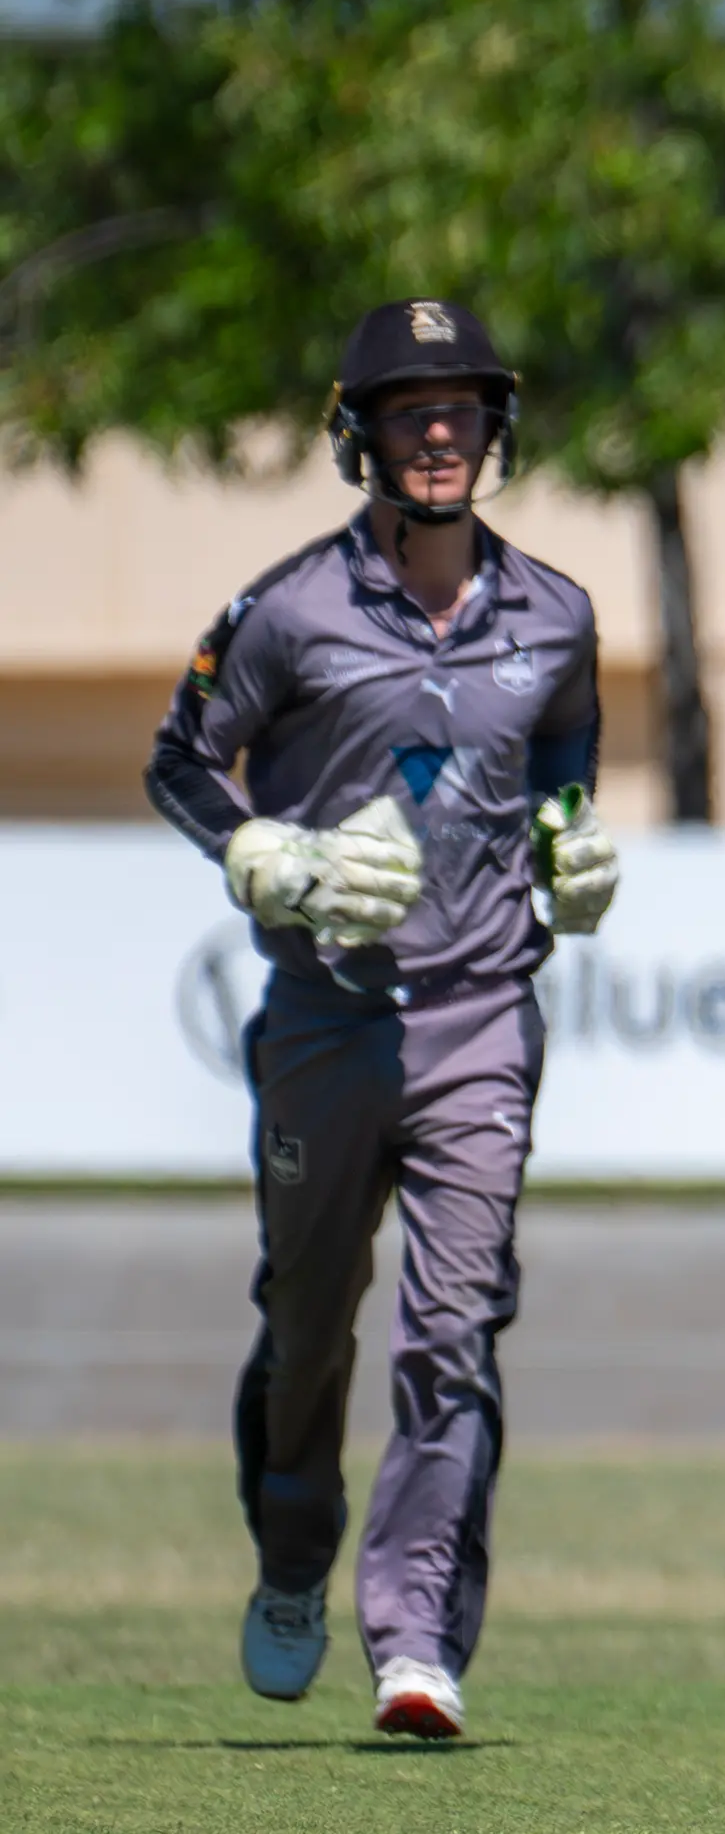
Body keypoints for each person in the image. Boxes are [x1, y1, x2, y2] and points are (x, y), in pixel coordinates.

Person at [144, 299, 619, 1740]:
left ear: (498, 425)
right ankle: (292, 1549)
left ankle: (416, 1635)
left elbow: (564, 753)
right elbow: (181, 759)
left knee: (455, 1333)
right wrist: (259, 853)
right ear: (355, 432)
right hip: (328, 1015)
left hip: (482, 1013)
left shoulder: (557, 611)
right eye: (409, 409)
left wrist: (566, 839)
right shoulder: (288, 612)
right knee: (308, 1321)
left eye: (463, 406)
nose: (438, 432)